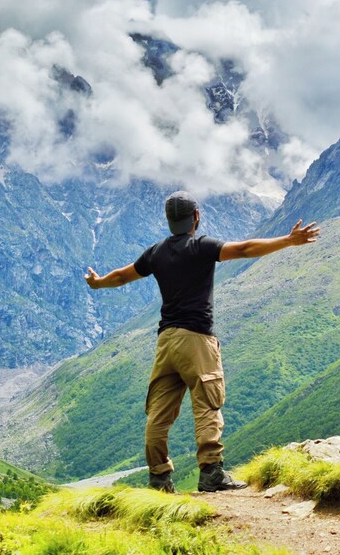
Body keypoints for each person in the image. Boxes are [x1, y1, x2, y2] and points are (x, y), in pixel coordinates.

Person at [84, 190, 320, 492]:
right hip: (196, 339)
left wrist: (98, 282)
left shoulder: (155, 253)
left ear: (169, 221)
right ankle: (211, 473)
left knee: (158, 413)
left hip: (166, 342)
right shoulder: (201, 247)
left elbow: (121, 276)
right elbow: (245, 249)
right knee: (207, 402)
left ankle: (158, 479)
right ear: (196, 216)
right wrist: (288, 240)